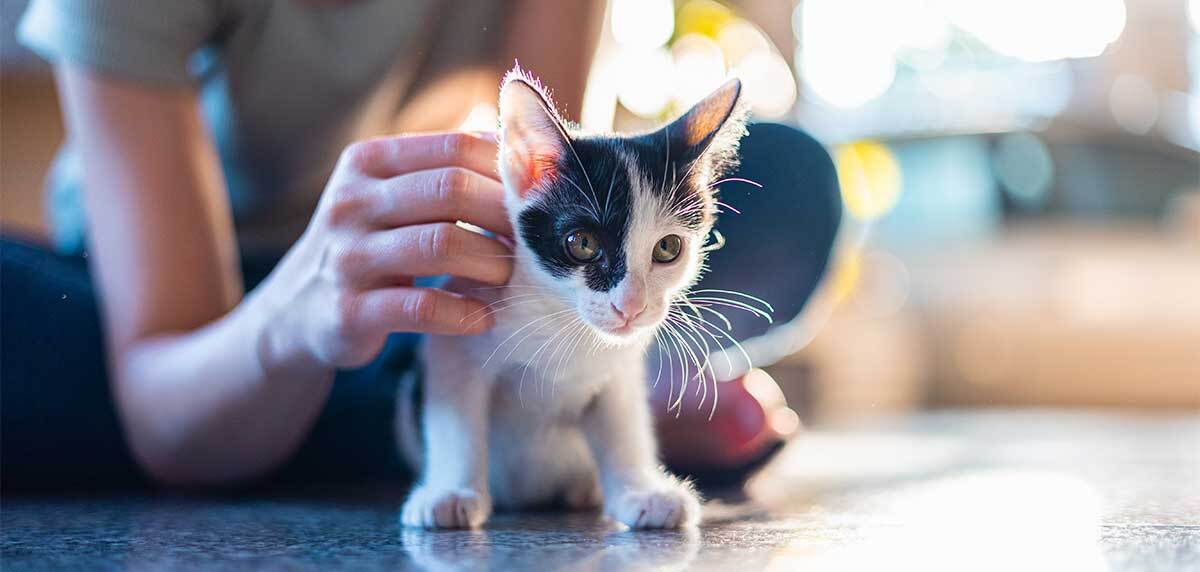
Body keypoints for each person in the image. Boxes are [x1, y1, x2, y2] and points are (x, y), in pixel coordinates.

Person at [0, 0, 840, 490]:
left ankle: (454, 422)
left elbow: (555, 208)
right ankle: (515, 434)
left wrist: (558, 326)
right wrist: (294, 322)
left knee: (789, 181)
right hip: (189, 313)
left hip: (445, 287)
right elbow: (162, 403)